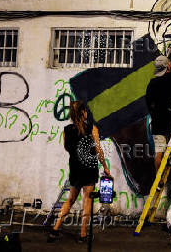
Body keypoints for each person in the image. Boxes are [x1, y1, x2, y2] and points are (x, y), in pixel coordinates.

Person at [48, 101, 112, 243]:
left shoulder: (66, 130)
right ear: (82, 113)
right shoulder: (92, 128)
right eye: (86, 111)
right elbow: (98, 150)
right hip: (89, 168)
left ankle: (54, 230)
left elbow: (67, 148)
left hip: (75, 168)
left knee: (70, 200)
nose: (87, 113)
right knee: (87, 201)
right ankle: (83, 235)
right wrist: (105, 167)